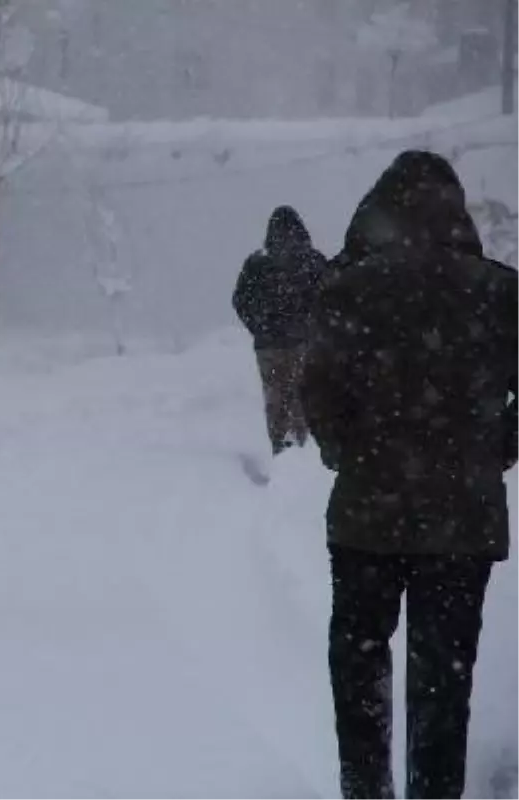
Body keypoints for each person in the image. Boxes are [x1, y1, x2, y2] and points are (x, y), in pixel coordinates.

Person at [301, 150, 519, 800]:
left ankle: (366, 788)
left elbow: (319, 390)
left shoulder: (350, 290)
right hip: (463, 520)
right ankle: (434, 790)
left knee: (360, 658)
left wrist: (350, 450)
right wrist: (498, 446)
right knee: (443, 677)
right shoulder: (502, 292)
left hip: (367, 516)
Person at [232, 206, 327, 455]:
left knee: (276, 399)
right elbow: (331, 297)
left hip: (268, 346)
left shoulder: (257, 263)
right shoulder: (313, 260)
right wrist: (315, 325)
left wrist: (259, 326)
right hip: (303, 343)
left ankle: (280, 446)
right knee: (304, 397)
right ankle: (305, 449)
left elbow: (240, 300)